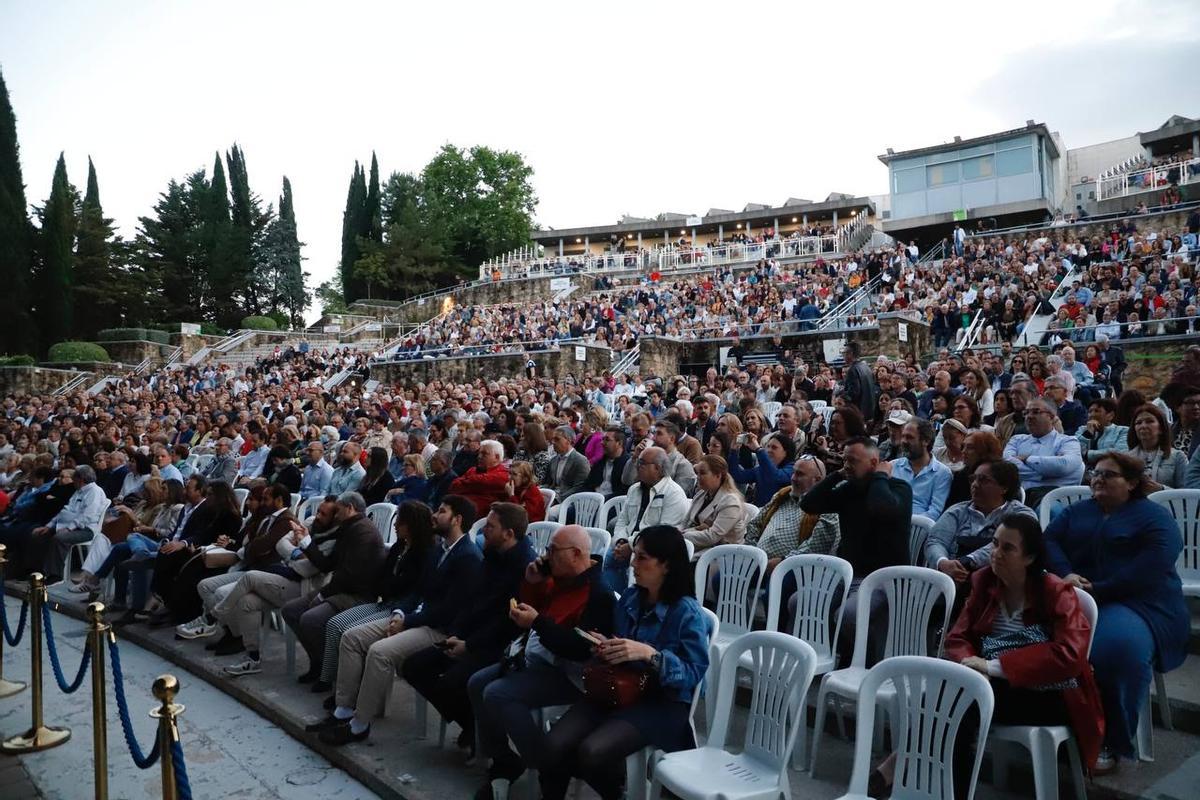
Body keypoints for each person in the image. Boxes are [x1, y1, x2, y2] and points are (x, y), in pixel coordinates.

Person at [537, 525, 710, 800]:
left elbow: (694, 673)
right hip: (618, 688)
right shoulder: (631, 598)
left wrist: (650, 655)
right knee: (553, 745)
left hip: (660, 701)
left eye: (642, 558)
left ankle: (615, 794)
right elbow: (621, 643)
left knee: (592, 751)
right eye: (635, 555)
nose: (633, 563)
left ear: (666, 565)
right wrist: (604, 644)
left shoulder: (686, 612)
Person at [1045, 452, 1189, 770]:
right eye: (1095, 473)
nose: (1098, 478)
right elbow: (1049, 541)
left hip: (1140, 604)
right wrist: (1066, 573)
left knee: (1116, 649)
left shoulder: (1154, 517)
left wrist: (1100, 589)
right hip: (1078, 598)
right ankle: (1053, 723)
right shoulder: (1078, 511)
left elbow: (1152, 566)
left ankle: (1111, 739)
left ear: (1132, 483)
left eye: (1108, 475)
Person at [308, 495, 481, 744]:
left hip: (438, 629)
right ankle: (343, 709)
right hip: (413, 616)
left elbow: (448, 611)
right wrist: (401, 613)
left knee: (379, 652)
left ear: (457, 520)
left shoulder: (468, 557)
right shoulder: (440, 550)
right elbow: (418, 591)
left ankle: (359, 725)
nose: (435, 515)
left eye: (442, 511)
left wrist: (407, 620)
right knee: (351, 636)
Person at [944, 514, 1104, 782]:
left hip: (1052, 695)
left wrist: (991, 666)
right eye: (994, 544)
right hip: (994, 685)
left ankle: (916, 778)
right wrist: (971, 664)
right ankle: (906, 773)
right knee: (945, 698)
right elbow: (958, 638)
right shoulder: (983, 581)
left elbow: (1070, 655)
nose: (996, 553)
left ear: (1029, 558)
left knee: (960, 704)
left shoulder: (1056, 591)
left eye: (1007, 548)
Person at [468, 524, 616, 799]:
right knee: (477, 683)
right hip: (540, 658)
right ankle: (504, 761)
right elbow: (540, 610)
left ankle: (548, 765)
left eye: (552, 550)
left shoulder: (598, 593)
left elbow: (579, 648)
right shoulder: (562, 577)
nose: (546, 555)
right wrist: (532, 582)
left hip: (571, 673)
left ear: (574, 554)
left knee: (498, 693)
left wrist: (537, 622)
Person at [399, 502, 537, 752]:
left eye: (491, 527)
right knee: (413, 666)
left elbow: (506, 622)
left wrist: (469, 645)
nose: (484, 531)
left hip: (498, 645)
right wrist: (457, 634)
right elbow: (471, 601)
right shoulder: (492, 555)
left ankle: (486, 737)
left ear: (508, 534)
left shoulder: (524, 568)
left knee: (452, 682)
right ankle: (471, 725)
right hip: (470, 635)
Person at [800, 436, 912, 664]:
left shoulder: (899, 489)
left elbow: (879, 506)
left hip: (882, 576)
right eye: (845, 460)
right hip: (848, 572)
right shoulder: (849, 489)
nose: (847, 465)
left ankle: (866, 663)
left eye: (853, 461)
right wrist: (837, 475)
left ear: (873, 463)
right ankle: (815, 658)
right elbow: (809, 504)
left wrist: (880, 476)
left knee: (849, 614)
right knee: (800, 601)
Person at [926, 459, 1036, 586]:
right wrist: (943, 562)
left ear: (1004, 487)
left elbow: (1005, 546)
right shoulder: (957, 511)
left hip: (998, 582)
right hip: (952, 579)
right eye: (973, 479)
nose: (975, 485)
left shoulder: (1021, 515)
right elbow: (935, 541)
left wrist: (967, 561)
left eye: (984, 480)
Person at [603, 447, 689, 591]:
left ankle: (622, 600)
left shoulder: (674, 493)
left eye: (642, 463)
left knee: (612, 559)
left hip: (655, 549)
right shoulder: (634, 489)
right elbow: (623, 521)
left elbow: (663, 532)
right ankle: (616, 600)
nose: (637, 466)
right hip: (629, 544)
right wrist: (620, 541)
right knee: (605, 556)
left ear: (657, 468)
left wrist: (631, 546)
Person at [744, 455, 840, 576]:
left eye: (800, 474)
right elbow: (755, 524)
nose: (793, 478)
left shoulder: (826, 505)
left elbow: (817, 546)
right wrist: (752, 551)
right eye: (793, 472)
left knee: (775, 587)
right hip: (758, 560)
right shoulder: (782, 496)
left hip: (795, 569)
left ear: (817, 479)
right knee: (720, 579)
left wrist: (784, 561)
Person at [24, 464, 108, 582]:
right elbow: (64, 511)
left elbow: (87, 516)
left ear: (81, 479)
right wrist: (48, 526)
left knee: (59, 538)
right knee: (37, 534)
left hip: (85, 529)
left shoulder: (95, 492)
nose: (72, 481)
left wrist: (70, 528)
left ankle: (55, 575)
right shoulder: (78, 492)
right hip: (65, 525)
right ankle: (37, 570)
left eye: (74, 478)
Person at [1003, 398, 1085, 510]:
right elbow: (1008, 468)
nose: (1029, 416)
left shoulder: (1068, 441)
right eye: (1026, 412)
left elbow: (1063, 466)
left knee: (1050, 509)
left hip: (1056, 501)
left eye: (1036, 412)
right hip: (1018, 499)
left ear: (1051, 417)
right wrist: (1046, 472)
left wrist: (1027, 459)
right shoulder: (1017, 440)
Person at [680, 455, 747, 554]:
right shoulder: (701, 494)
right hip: (699, 544)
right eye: (697, 473)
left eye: (702, 473)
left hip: (723, 553)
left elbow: (712, 537)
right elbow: (685, 522)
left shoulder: (731, 501)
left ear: (718, 475)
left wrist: (681, 536)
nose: (698, 477)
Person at [890, 418, 953, 518]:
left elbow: (935, 511)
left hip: (919, 528)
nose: (904, 441)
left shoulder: (942, 473)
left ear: (926, 441)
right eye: (903, 436)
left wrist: (906, 522)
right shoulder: (892, 466)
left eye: (909, 437)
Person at [727, 428, 796, 506]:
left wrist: (758, 450)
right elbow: (738, 476)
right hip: (760, 513)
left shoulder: (792, 469)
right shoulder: (762, 469)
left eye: (774, 447)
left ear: (786, 452)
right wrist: (733, 451)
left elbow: (775, 477)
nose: (769, 450)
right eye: (768, 446)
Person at [1127, 404, 1189, 490]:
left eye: (1149, 421)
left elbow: (1187, 493)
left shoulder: (1178, 457)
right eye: (1138, 423)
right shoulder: (1126, 458)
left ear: (1161, 428)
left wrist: (1161, 489)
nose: (1143, 426)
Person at [450, 439, 511, 519]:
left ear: (496, 457)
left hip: (481, 519)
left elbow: (483, 481)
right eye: (479, 453)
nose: (479, 457)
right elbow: (454, 486)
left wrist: (467, 483)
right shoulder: (472, 470)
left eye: (484, 454)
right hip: (458, 511)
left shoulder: (504, 474)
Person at [1077, 398, 1129, 468]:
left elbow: (1120, 452)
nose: (1092, 415)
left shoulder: (1122, 431)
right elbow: (1075, 450)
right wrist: (1088, 434)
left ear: (1110, 415)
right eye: (1090, 411)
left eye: (1097, 411)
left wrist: (1088, 454)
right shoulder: (1082, 430)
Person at [581, 427, 630, 500]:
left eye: (607, 440)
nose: (602, 443)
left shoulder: (627, 464)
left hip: (612, 504)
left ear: (619, 443)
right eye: (602, 439)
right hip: (592, 500)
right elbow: (588, 484)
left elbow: (624, 492)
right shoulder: (600, 462)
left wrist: (601, 499)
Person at [546, 426, 590, 502]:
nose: (553, 442)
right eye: (553, 439)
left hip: (569, 501)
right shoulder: (553, 460)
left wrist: (558, 499)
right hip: (552, 497)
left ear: (569, 441)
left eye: (557, 439)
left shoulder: (581, 461)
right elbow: (547, 483)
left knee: (550, 513)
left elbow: (579, 487)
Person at [841, 341, 877, 421]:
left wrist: (841, 395)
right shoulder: (866, 367)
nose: (843, 356)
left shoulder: (853, 370)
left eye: (844, 353)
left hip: (858, 413)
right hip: (869, 412)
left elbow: (853, 394)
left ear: (850, 353)